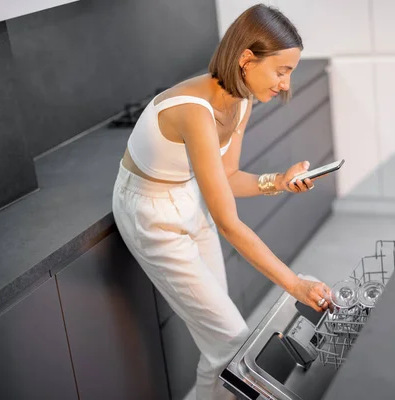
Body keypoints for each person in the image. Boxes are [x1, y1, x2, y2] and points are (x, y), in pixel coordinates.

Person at [112, 4, 332, 399]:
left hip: (189, 197)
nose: (285, 84)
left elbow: (228, 178)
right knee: (231, 341)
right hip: (149, 214)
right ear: (247, 59)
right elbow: (229, 222)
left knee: (224, 345)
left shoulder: (242, 99)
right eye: (281, 71)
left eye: (290, 73)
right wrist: (294, 283)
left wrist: (279, 182)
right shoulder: (194, 113)